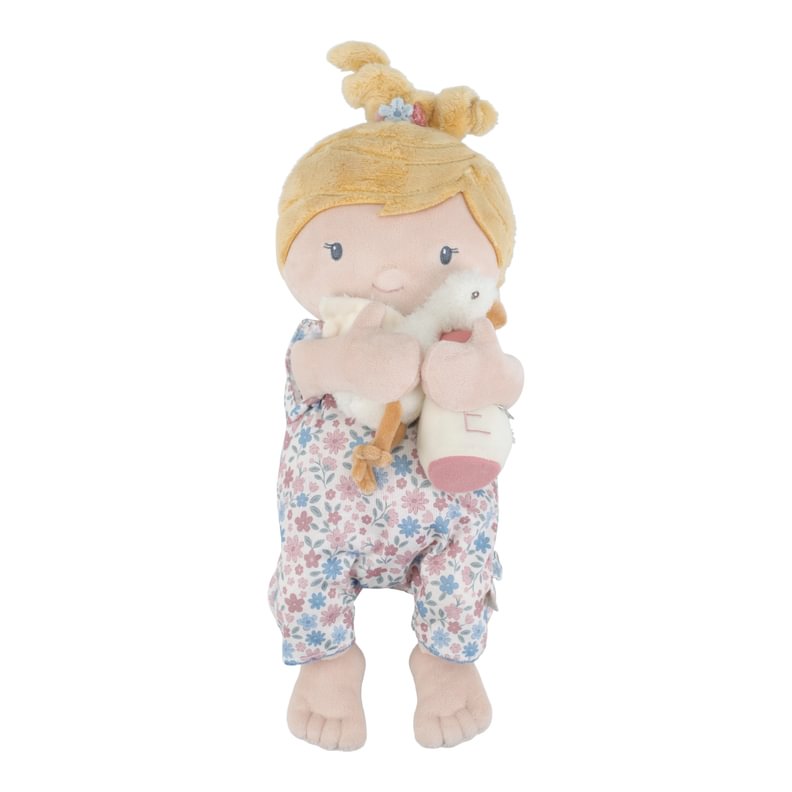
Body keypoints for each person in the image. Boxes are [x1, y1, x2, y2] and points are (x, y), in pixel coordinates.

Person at [268, 41, 523, 750]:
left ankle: (445, 659)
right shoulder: (318, 333)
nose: (385, 277)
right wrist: (357, 360)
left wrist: (470, 374)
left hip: (445, 516)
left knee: (464, 557)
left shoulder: (467, 328)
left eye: (443, 254)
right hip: (329, 526)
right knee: (307, 561)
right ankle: (327, 659)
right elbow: (308, 371)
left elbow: (508, 381)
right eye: (339, 251)